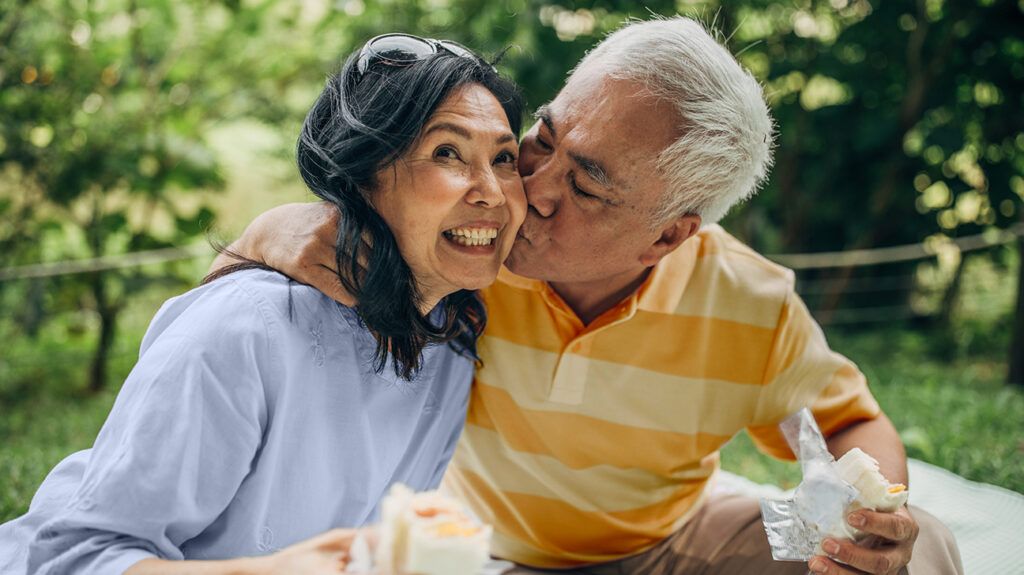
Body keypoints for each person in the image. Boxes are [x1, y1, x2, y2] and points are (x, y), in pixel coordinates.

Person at [215, 17, 964, 575]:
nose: (529, 191)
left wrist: (856, 519)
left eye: (587, 185)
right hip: (476, 550)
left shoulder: (747, 302)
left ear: (668, 238)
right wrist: (269, 232)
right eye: (545, 138)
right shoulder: (467, 243)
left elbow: (850, 421)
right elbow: (240, 324)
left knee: (919, 543)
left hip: (670, 547)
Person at [0, 34, 526, 574]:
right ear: (363, 176)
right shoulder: (247, 329)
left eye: (505, 158)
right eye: (447, 152)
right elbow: (71, 559)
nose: (490, 190)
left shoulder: (452, 337)